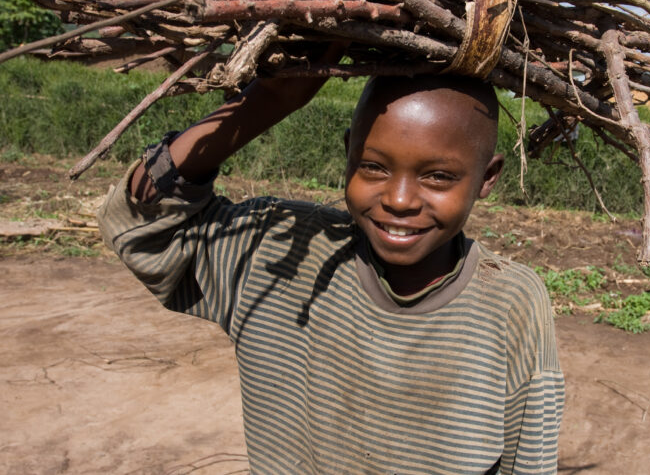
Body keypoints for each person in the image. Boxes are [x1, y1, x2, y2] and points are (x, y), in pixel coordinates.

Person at [97, 54, 565, 474]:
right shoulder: (280, 251)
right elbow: (141, 225)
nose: (399, 200)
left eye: (438, 176)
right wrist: (264, 103)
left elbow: (529, 461)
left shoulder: (510, 302)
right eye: (373, 167)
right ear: (348, 155)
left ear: (488, 177)